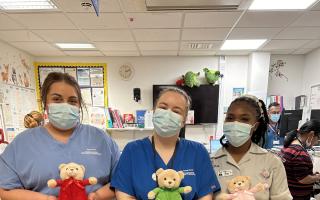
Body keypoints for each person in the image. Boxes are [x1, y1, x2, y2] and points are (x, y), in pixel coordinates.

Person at [0, 72, 120, 200]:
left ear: (79, 105)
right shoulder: (22, 143)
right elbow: (6, 189)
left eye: (72, 101)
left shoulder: (101, 139)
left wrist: (96, 196)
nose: (65, 105)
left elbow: (123, 180)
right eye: (57, 99)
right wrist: (46, 199)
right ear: (45, 103)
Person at [111, 87, 220, 200]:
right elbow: (124, 195)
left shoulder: (197, 151)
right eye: (163, 107)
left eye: (176, 111)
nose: (168, 114)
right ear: (153, 112)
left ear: (183, 121)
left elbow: (205, 195)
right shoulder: (132, 150)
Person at [212, 95, 292, 199]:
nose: (235, 123)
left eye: (244, 119)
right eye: (230, 118)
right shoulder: (210, 161)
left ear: (256, 126)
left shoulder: (272, 162)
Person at [279, 119, 320, 200]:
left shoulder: (289, 146)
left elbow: (296, 173)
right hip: (297, 196)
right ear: (311, 134)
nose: (316, 142)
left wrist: (311, 175)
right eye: (318, 138)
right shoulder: (300, 153)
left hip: (287, 192)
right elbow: (303, 179)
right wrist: (317, 177)